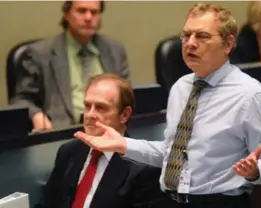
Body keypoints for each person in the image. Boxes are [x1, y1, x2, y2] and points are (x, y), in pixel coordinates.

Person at [75, 3, 261, 208]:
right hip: (169, 199)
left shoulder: (250, 95)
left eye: (202, 36)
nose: (190, 43)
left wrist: (256, 170)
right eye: (186, 35)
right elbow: (170, 153)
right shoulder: (181, 88)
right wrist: (122, 144)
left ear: (228, 44)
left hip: (218, 202)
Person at [36, 74, 169, 208]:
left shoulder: (144, 168)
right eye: (87, 106)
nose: (89, 115)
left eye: (100, 108)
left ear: (124, 115)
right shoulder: (69, 152)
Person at [10, 0, 130, 131]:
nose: (88, 17)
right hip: (63, 132)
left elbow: (126, 97)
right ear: (66, 14)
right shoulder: (39, 54)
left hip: (109, 132)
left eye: (94, 12)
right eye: (81, 11)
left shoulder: (115, 50)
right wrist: (36, 114)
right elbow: (21, 99)